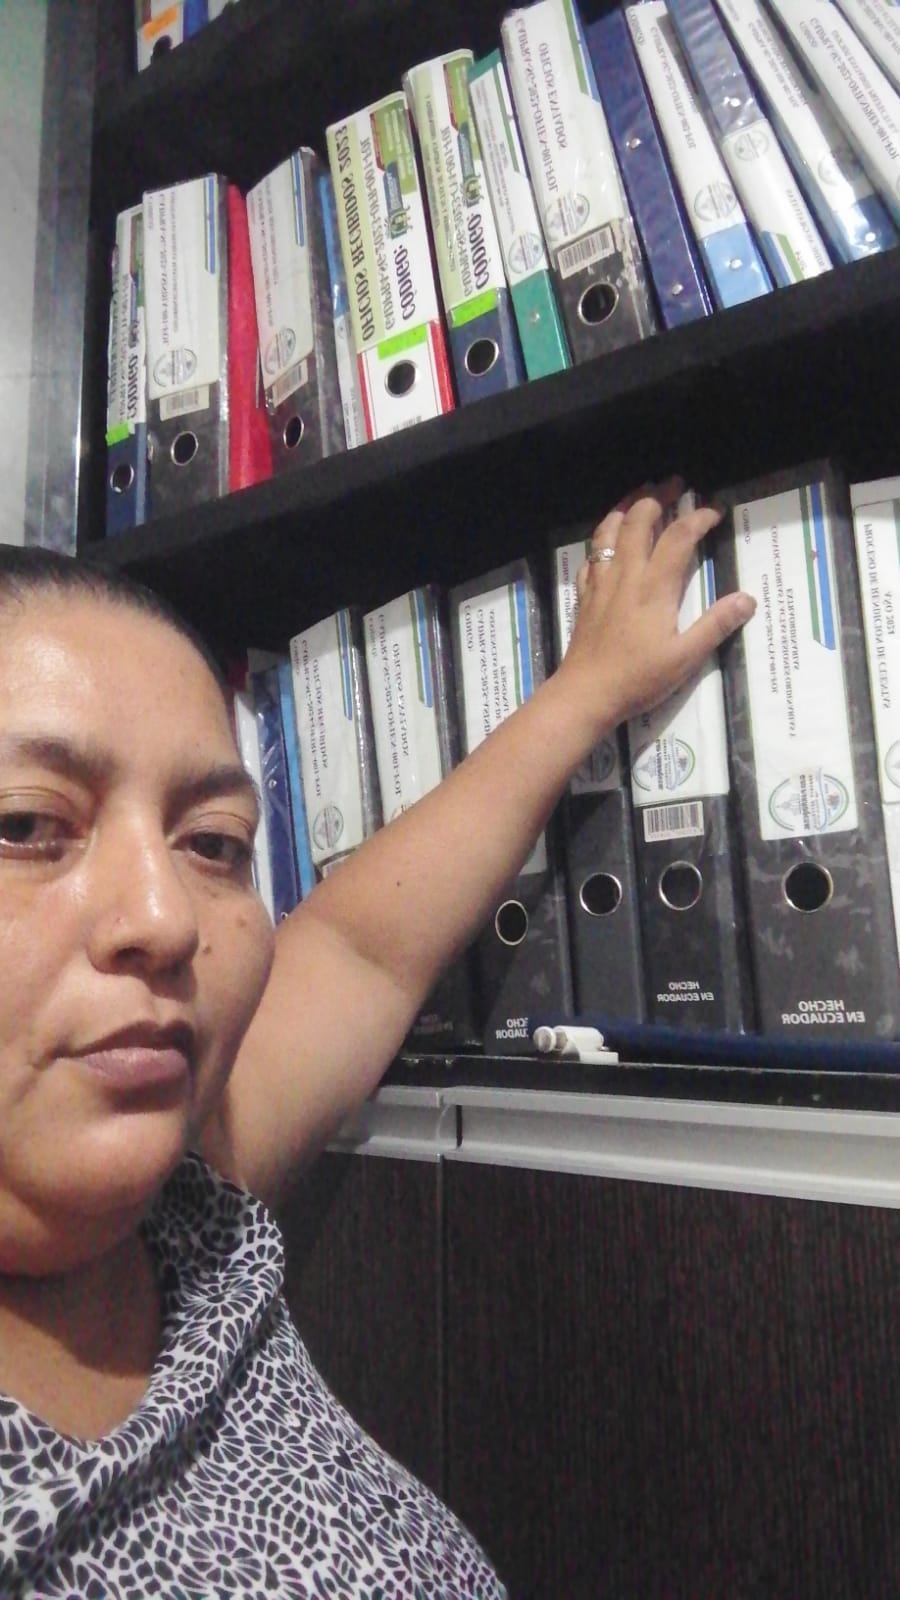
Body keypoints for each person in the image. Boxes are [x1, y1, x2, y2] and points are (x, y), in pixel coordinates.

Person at [0, 479, 754, 1598]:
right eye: (26, 825)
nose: (164, 917)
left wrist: (588, 690)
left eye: (212, 843)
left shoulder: (176, 1208)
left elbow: (360, 950)